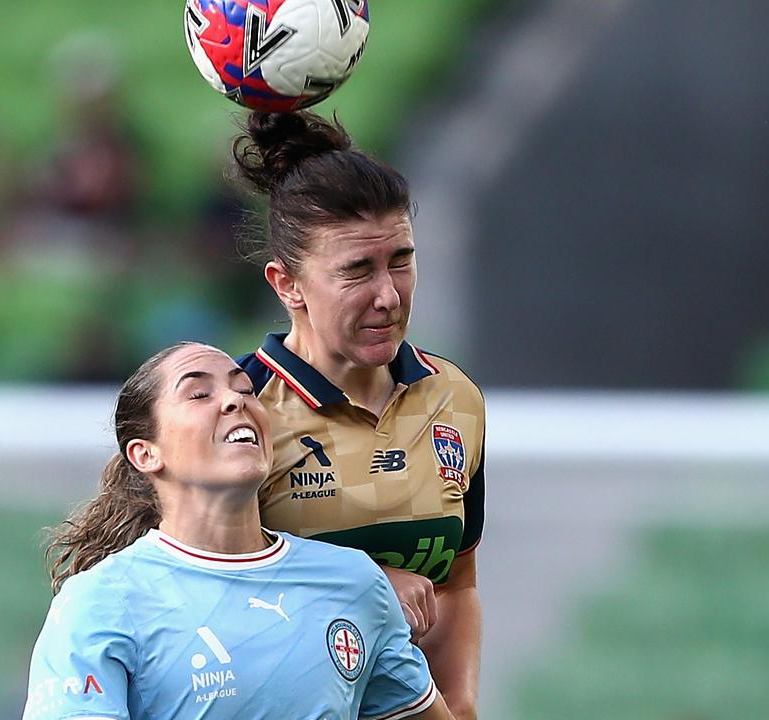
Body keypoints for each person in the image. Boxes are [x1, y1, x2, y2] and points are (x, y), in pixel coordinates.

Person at [25, 342, 454, 720]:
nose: (235, 400)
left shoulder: (355, 582)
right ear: (145, 454)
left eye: (246, 390)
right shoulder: (100, 601)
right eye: (199, 394)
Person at [233, 112, 485, 719]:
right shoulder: (238, 412)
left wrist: (458, 706)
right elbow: (198, 595)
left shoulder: (455, 397)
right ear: (287, 285)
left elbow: (456, 583)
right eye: (357, 271)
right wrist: (361, 588)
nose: (388, 295)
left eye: (401, 260)